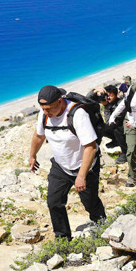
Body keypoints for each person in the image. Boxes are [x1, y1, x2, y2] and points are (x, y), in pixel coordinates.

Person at [29, 85, 106, 240]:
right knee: (54, 202)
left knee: (90, 202)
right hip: (61, 165)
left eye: (48, 108)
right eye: (43, 108)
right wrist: (32, 155)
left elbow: (90, 148)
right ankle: (63, 238)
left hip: (84, 165)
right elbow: (39, 136)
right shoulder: (44, 114)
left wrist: (81, 176)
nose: (45, 112)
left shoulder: (77, 114)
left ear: (60, 101)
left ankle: (103, 227)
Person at [89, 85, 127, 164]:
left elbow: (114, 119)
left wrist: (107, 106)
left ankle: (125, 152)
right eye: (107, 95)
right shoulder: (107, 103)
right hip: (115, 127)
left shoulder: (120, 103)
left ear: (116, 95)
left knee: (116, 128)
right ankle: (116, 141)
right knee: (100, 127)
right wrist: (95, 91)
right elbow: (87, 99)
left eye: (111, 95)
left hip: (124, 127)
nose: (108, 98)